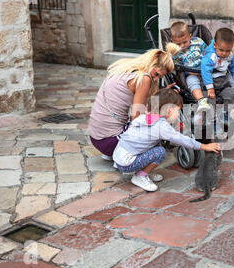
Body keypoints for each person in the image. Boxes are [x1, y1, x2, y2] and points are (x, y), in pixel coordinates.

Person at [88, 43, 181, 182]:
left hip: (96, 138)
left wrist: (163, 94)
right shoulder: (144, 78)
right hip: (109, 141)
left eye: (159, 78)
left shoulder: (126, 67)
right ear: (152, 64)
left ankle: (111, 154)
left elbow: (141, 102)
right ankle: (139, 173)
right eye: (156, 74)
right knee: (153, 130)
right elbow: (137, 118)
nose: (155, 79)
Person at [112, 88, 221, 192]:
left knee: (156, 144)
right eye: (177, 111)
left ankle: (144, 171)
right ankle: (140, 176)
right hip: (127, 162)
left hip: (120, 156)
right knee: (160, 152)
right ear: (169, 111)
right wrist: (204, 146)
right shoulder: (161, 126)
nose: (178, 114)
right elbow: (182, 140)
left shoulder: (148, 116)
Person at [170, 21, 210, 112]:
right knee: (192, 82)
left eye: (185, 42)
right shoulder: (175, 52)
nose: (182, 46)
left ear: (190, 36)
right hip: (190, 73)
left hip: (206, 70)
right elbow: (177, 68)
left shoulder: (198, 42)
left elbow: (207, 53)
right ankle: (201, 101)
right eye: (178, 44)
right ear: (172, 42)